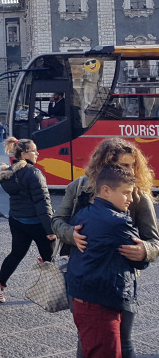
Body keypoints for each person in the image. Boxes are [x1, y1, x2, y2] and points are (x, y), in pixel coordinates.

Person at [53, 138, 159, 358]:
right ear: (105, 165)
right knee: (87, 337)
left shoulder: (137, 195)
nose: (131, 170)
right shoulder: (79, 187)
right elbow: (57, 221)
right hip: (84, 275)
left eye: (133, 165)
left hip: (120, 279)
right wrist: (71, 234)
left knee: (123, 339)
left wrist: (145, 251)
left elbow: (154, 241)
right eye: (124, 165)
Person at [65, 165, 148, 358]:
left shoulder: (83, 213)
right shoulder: (119, 222)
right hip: (102, 301)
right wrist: (143, 253)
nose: (131, 199)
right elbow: (140, 261)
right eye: (126, 193)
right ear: (106, 190)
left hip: (81, 296)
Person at [0, 137, 54, 303]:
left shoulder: (9, 173)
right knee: (50, 258)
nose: (37, 153)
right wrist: (50, 229)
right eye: (33, 151)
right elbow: (42, 202)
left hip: (16, 220)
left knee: (16, 254)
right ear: (24, 154)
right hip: (36, 223)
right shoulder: (34, 173)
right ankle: (51, 292)